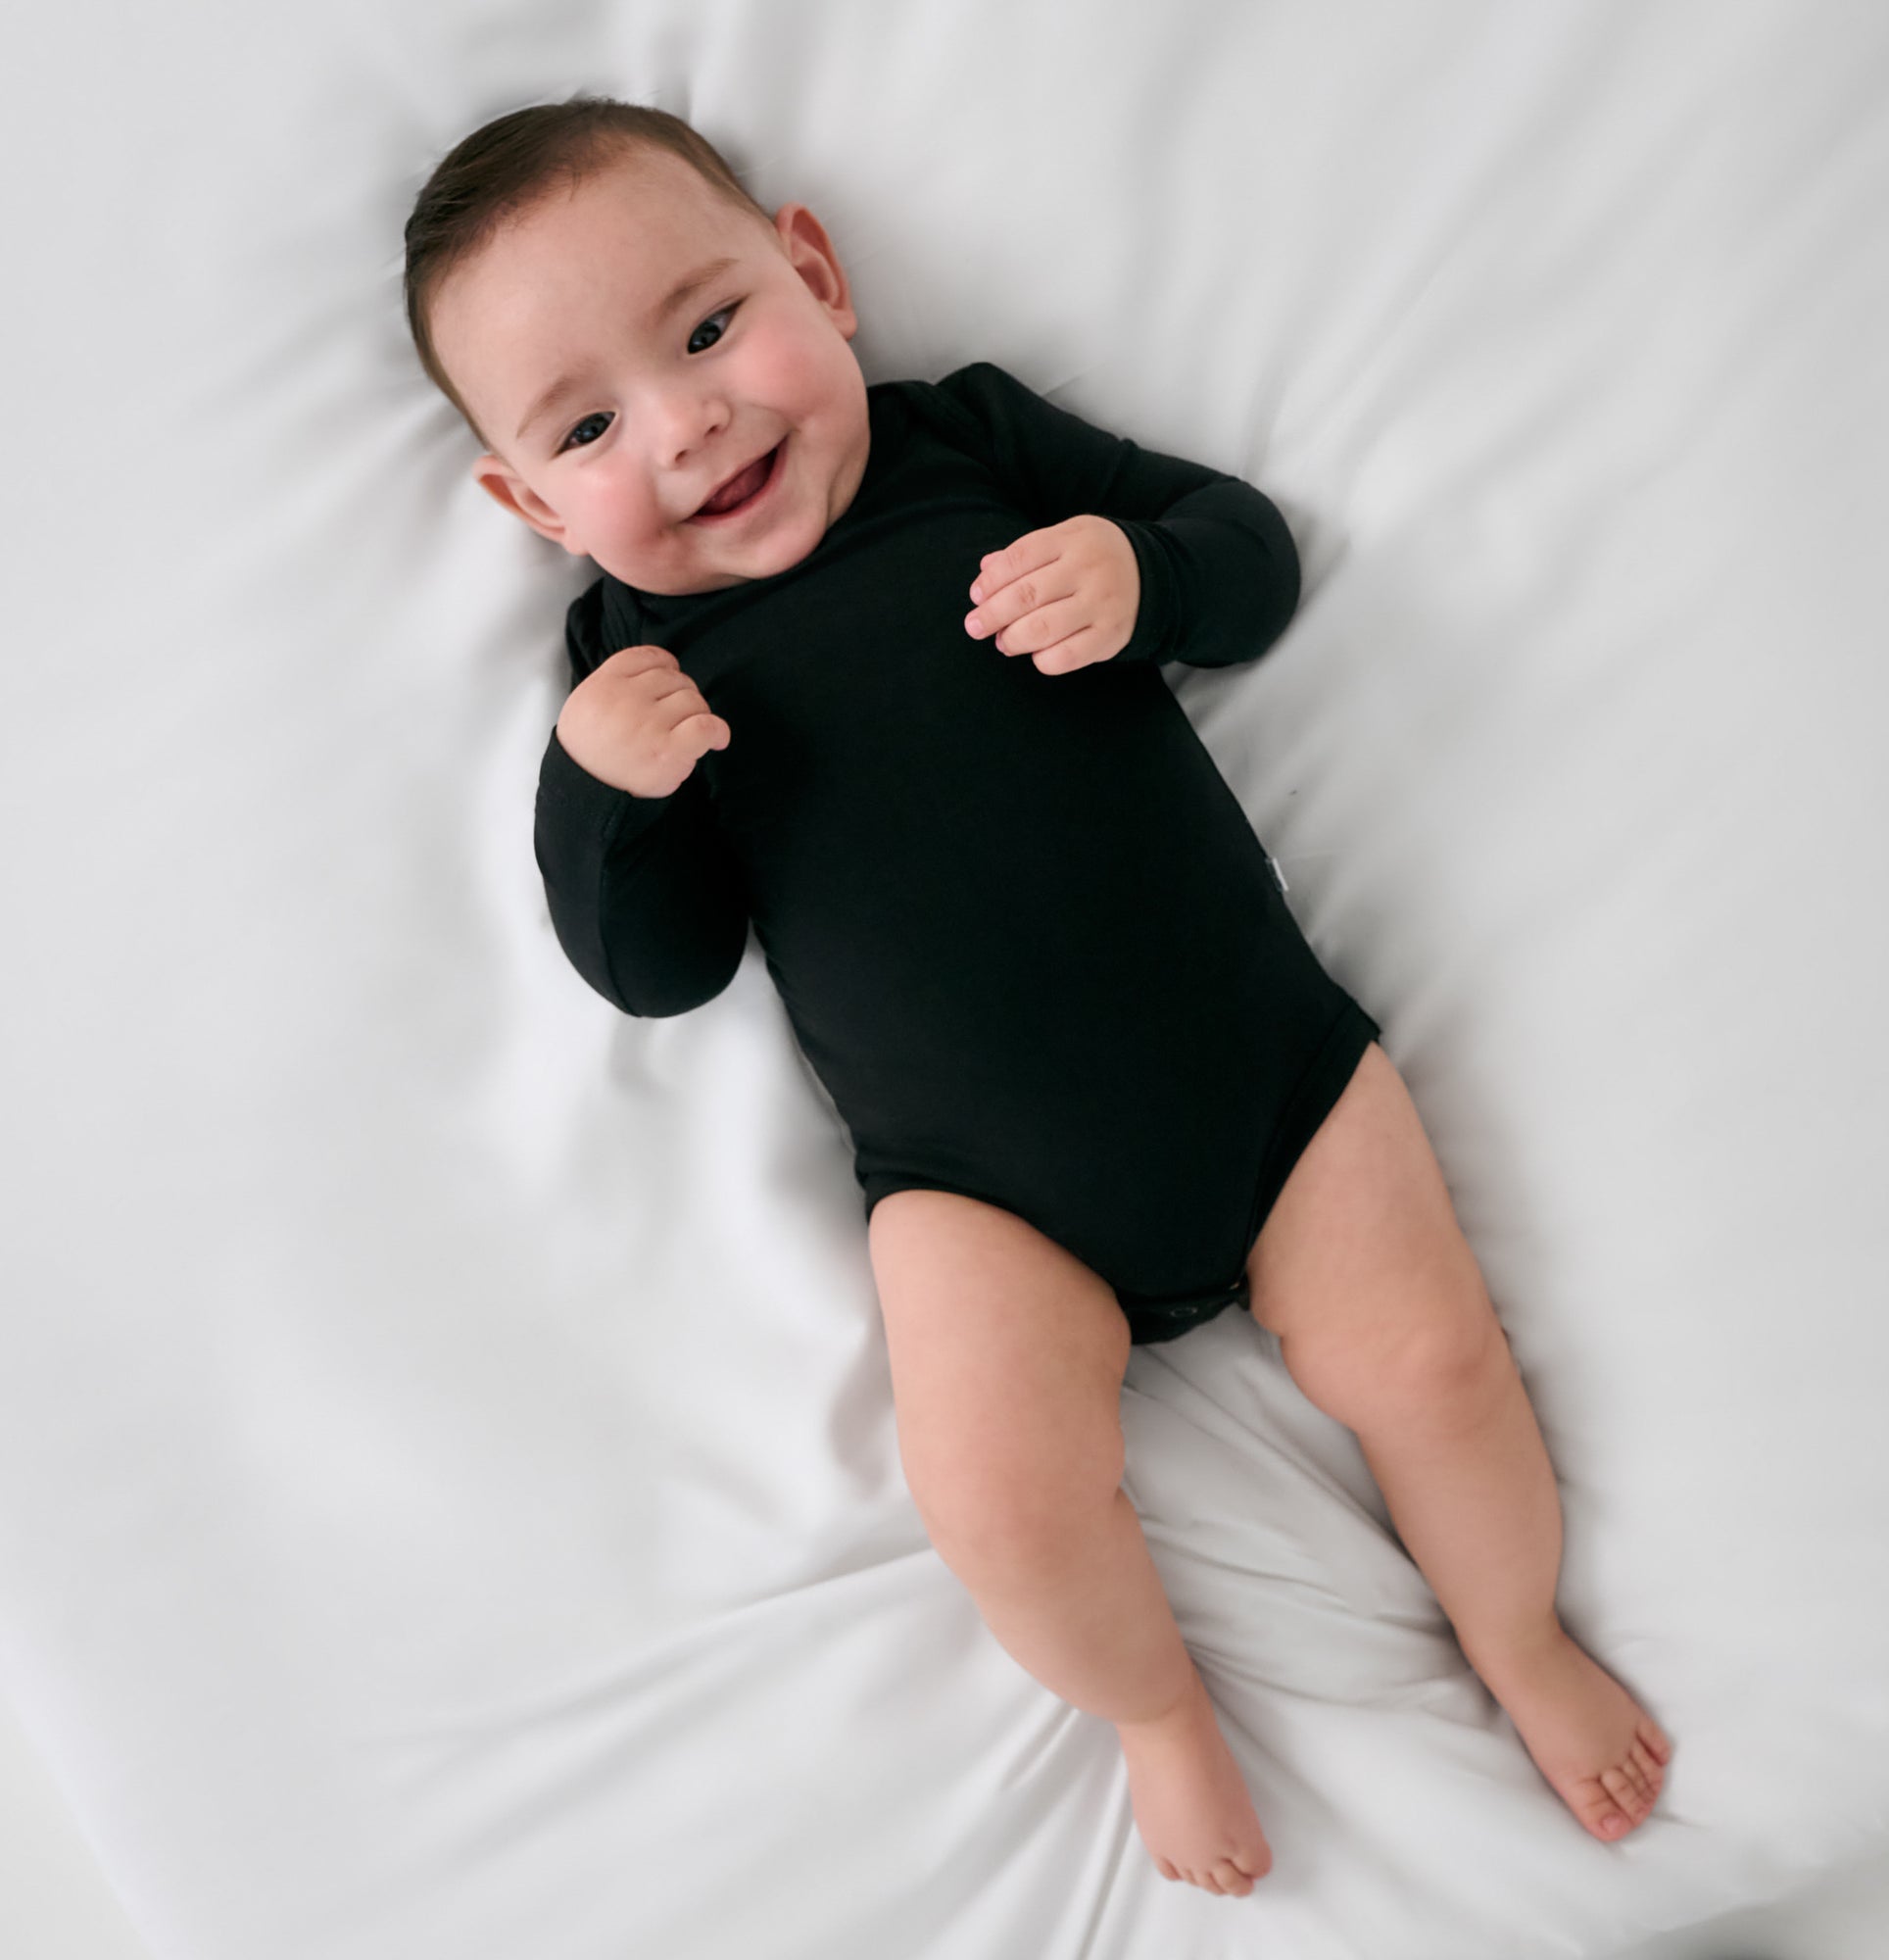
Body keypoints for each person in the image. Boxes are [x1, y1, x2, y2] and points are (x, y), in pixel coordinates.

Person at [402, 94, 1671, 1899]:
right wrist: (599, 792)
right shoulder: (627, 663)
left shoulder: (969, 440)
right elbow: (657, 971)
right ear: (530, 503)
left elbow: (1246, 556)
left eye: (709, 327)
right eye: (588, 428)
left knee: (1433, 1360)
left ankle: (1520, 1636)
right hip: (980, 1195)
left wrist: (1143, 572)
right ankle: (1156, 1709)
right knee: (996, 1499)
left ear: (816, 274)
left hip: (1270, 1079)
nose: (685, 425)